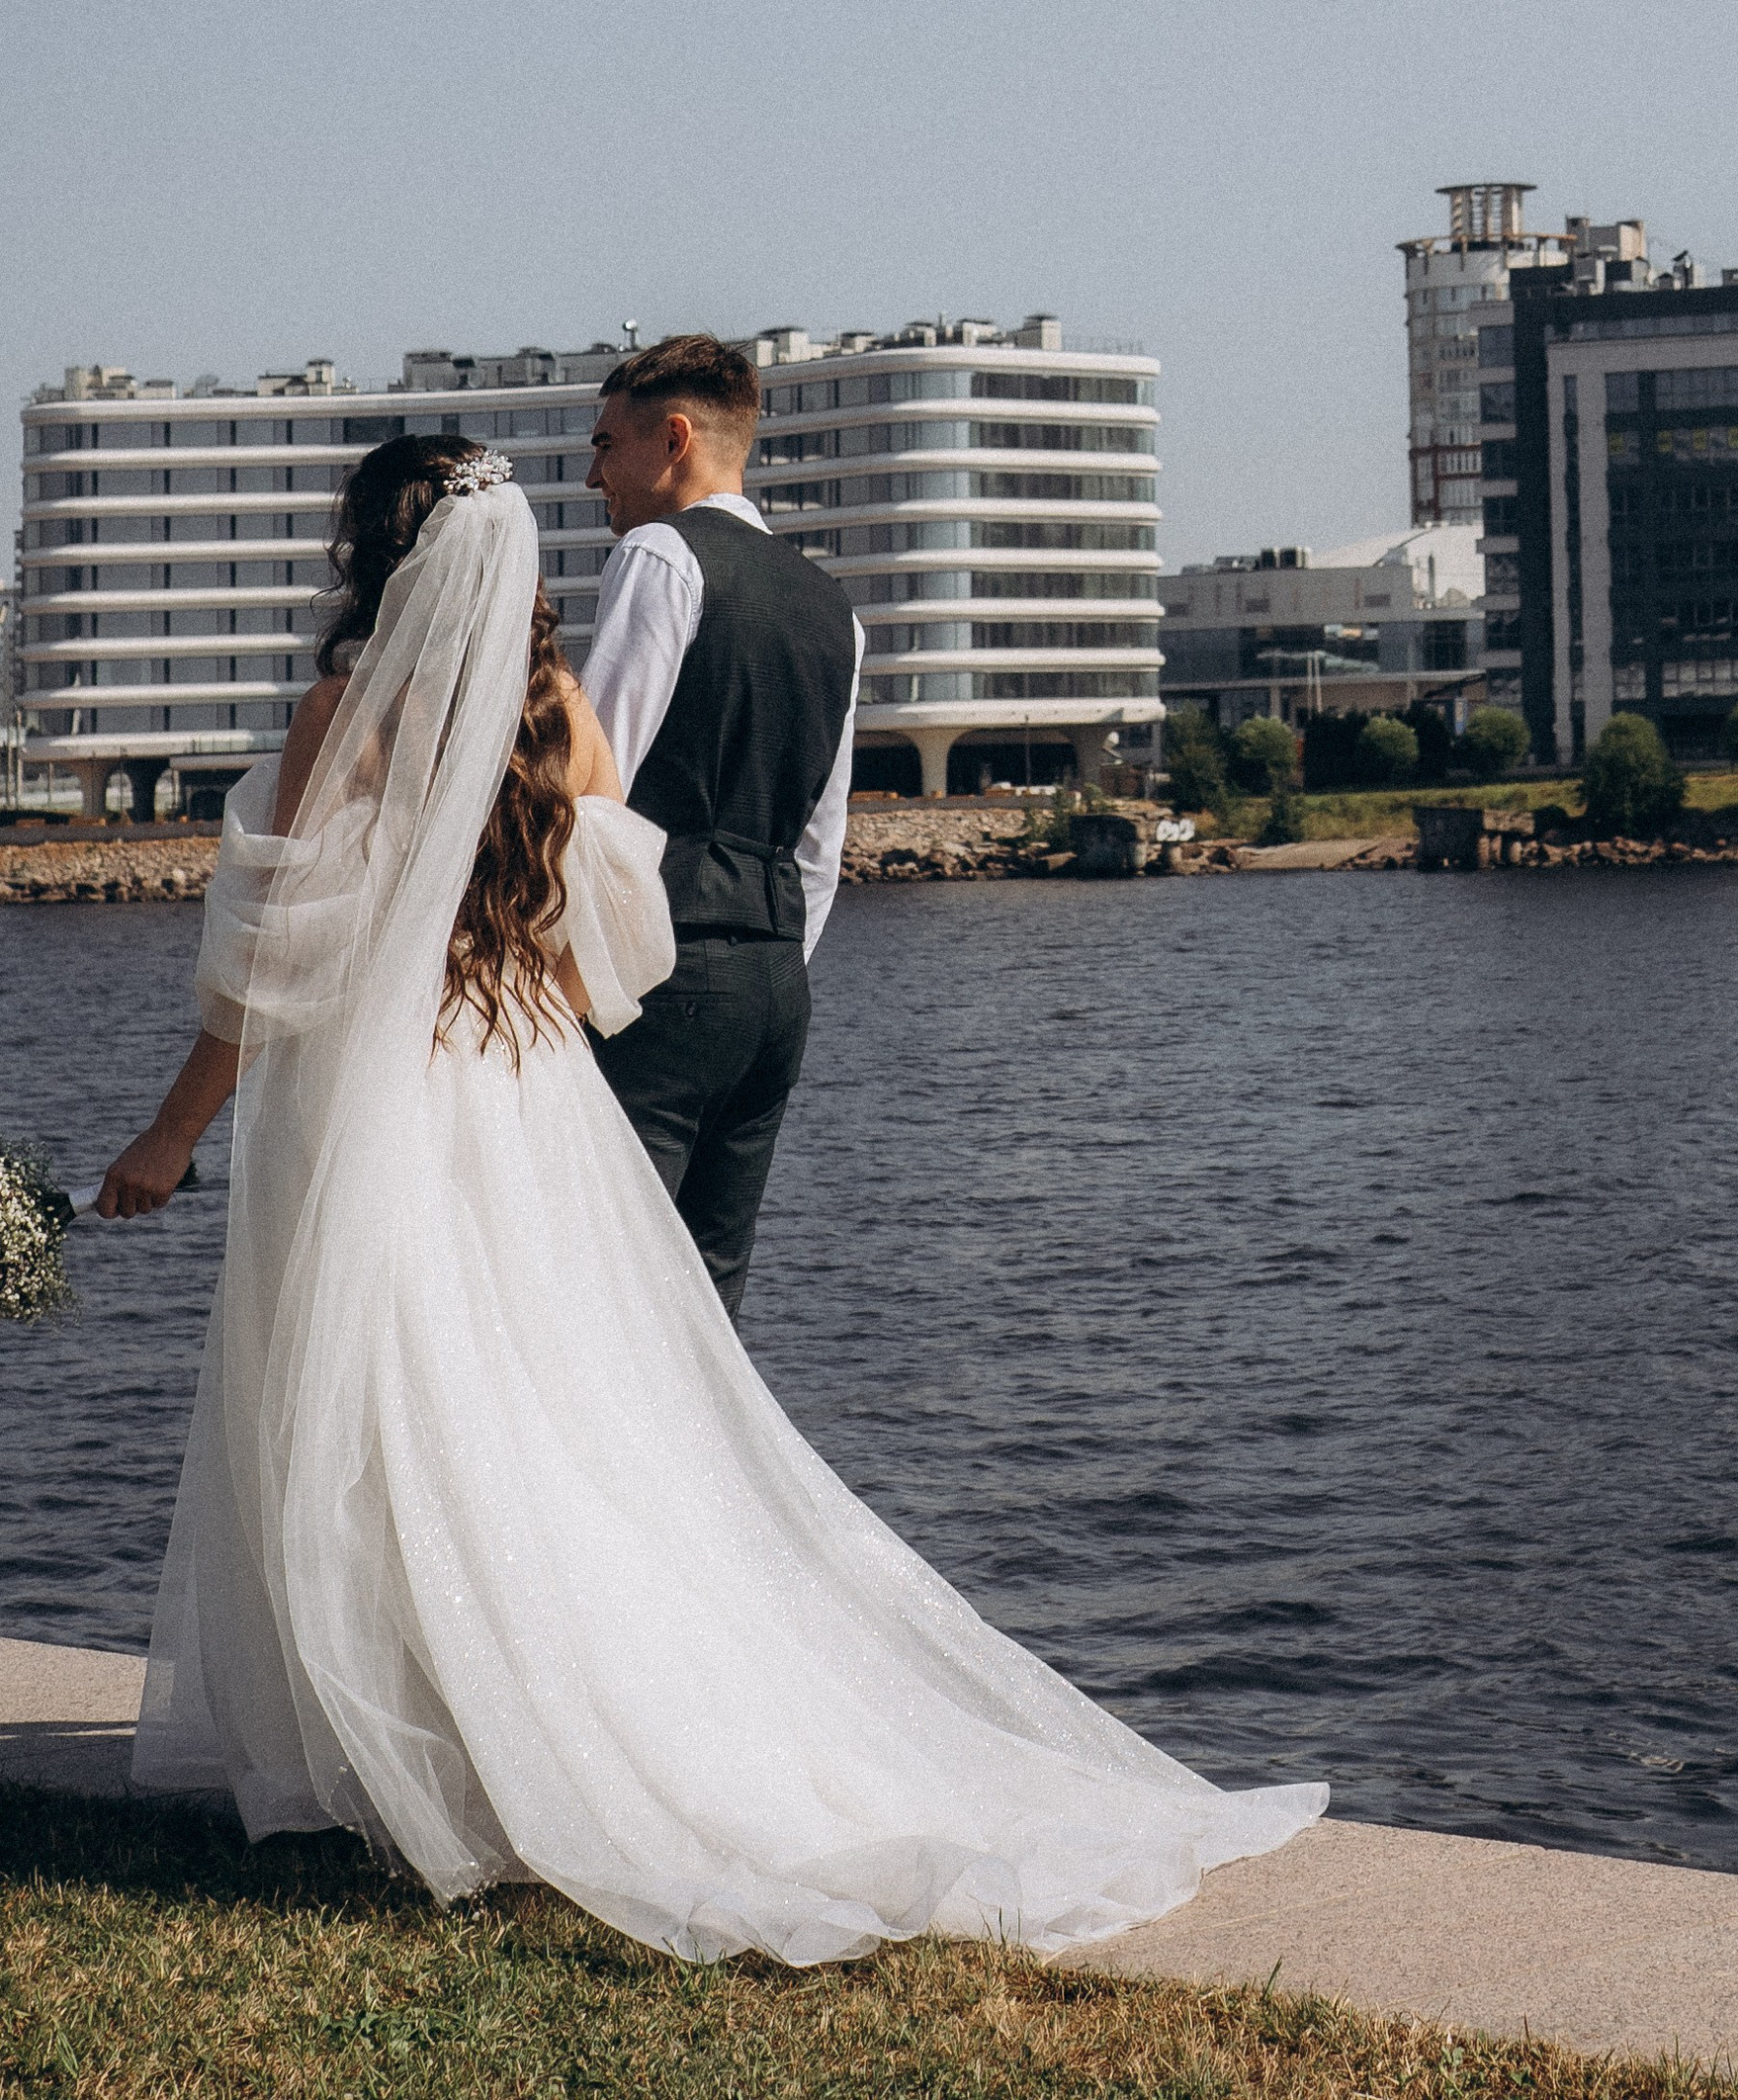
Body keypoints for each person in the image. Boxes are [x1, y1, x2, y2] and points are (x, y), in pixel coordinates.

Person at [95, 441, 1323, 1963]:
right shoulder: (556, 727)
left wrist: (167, 1133)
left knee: (379, 1406)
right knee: (538, 1418)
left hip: (384, 1103)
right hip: (525, 1095)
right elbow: (603, 945)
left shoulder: (347, 714)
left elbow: (276, 958)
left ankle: (426, 1748)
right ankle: (500, 1734)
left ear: (377, 551)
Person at [577, 335, 859, 1317]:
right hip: (774, 988)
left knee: (608, 1286)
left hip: (662, 976)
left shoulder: (660, 554)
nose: (592, 473)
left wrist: (575, 977)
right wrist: (769, 954)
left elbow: (590, 789)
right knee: (706, 1307)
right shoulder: (831, 605)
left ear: (676, 439)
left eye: (607, 444)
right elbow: (821, 843)